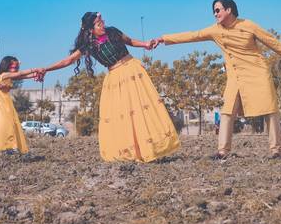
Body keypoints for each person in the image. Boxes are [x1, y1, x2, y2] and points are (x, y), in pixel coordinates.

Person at [151, 0, 281, 160]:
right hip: (235, 77)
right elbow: (192, 35)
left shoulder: (248, 25)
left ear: (229, 10)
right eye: (214, 11)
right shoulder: (215, 30)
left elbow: (272, 42)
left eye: (217, 10)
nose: (215, 14)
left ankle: (276, 150)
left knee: (270, 109)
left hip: (258, 73)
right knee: (227, 110)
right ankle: (222, 151)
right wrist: (163, 38)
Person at [35, 12, 179, 162]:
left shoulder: (112, 32)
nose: (102, 24)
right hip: (115, 79)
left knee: (141, 110)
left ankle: (151, 148)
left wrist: (145, 44)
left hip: (132, 71)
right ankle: (132, 152)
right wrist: (46, 69)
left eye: (102, 21)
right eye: (98, 23)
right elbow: (68, 60)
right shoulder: (88, 46)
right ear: (90, 29)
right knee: (123, 115)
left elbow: (130, 41)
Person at [0, 56, 35, 153]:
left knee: (8, 124)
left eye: (16, 67)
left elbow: (21, 76)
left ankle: (8, 146)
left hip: (5, 101)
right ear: (6, 66)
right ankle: (4, 147)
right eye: (13, 67)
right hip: (1, 101)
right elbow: (21, 74)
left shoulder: (9, 75)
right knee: (5, 124)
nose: (15, 69)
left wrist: (34, 75)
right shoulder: (4, 75)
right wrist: (34, 70)